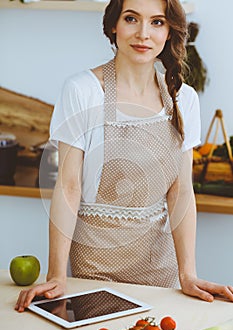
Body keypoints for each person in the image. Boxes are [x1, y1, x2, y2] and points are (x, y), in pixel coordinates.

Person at [15, 0, 233, 312]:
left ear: (170, 30)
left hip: (161, 269)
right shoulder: (83, 90)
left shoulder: (183, 98)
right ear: (113, 25)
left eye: (157, 22)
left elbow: (181, 190)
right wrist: (57, 275)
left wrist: (188, 274)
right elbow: (69, 186)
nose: (144, 33)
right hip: (95, 267)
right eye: (132, 18)